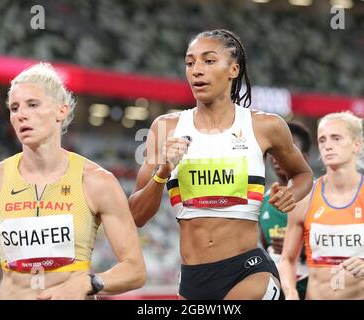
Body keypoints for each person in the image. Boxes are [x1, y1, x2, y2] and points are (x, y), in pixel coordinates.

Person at [128, 29, 313, 300]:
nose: (196, 70)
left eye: (209, 61)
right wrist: (163, 173)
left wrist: (291, 194)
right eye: (190, 63)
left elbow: (303, 174)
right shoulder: (166, 128)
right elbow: (136, 216)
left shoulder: (264, 126)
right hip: (193, 279)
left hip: (249, 270)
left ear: (234, 69)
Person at [0, 63, 146, 299]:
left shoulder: (97, 182)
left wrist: (89, 283)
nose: (21, 115)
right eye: (14, 108)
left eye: (32, 104)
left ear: (61, 111)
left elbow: (135, 269)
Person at [280, 111, 364, 300]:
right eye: (322, 140)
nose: (327, 146)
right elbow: (287, 259)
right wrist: (291, 293)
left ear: (356, 145)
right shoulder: (305, 199)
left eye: (336, 138)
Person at [259, 121, 311, 300]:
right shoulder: (263, 200)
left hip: (315, 289)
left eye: (287, 150)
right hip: (279, 289)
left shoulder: (321, 196)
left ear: (303, 157)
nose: (276, 157)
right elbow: (265, 246)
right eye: (274, 151)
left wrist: (298, 249)